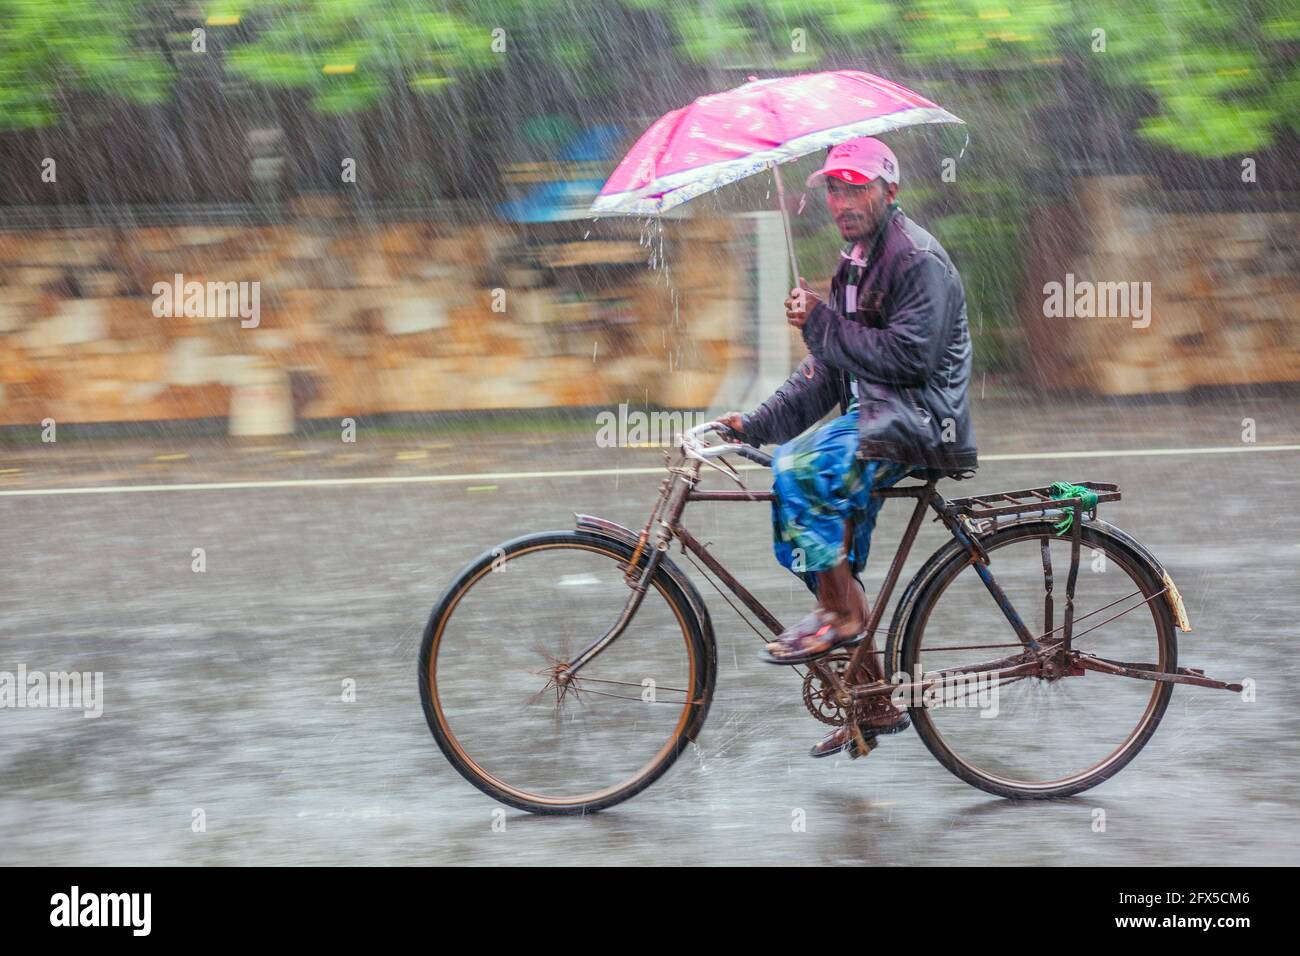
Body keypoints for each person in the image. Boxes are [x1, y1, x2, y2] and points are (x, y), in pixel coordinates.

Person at [718, 136, 978, 758]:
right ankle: (873, 694)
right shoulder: (856, 263)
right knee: (813, 536)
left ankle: (843, 617)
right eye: (834, 188)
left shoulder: (916, 260)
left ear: (890, 190)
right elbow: (829, 372)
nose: (843, 199)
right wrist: (752, 424)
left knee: (801, 468)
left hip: (919, 419)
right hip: (879, 417)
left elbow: (909, 360)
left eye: (856, 186)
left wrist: (821, 322)